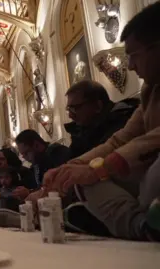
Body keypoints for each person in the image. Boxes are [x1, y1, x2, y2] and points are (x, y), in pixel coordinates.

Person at [43, 2, 160, 241]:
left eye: (134, 55)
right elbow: (122, 139)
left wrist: (99, 168)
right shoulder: (151, 90)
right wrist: (72, 167)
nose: (130, 65)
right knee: (80, 180)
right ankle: (143, 227)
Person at [64, 80, 139, 159]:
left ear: (98, 106)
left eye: (74, 108)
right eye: (69, 109)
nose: (70, 115)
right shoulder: (84, 130)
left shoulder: (123, 123)